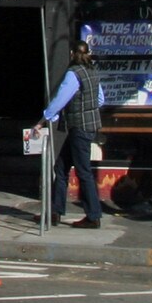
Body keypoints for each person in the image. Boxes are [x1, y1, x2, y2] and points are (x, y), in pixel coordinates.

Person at [38, 39, 104, 228]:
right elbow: (100, 99)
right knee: (61, 167)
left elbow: (60, 100)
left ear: (72, 54)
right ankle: (55, 211)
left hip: (79, 128)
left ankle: (93, 216)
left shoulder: (73, 74)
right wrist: (87, 110)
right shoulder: (93, 71)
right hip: (88, 127)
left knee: (83, 172)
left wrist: (43, 121)